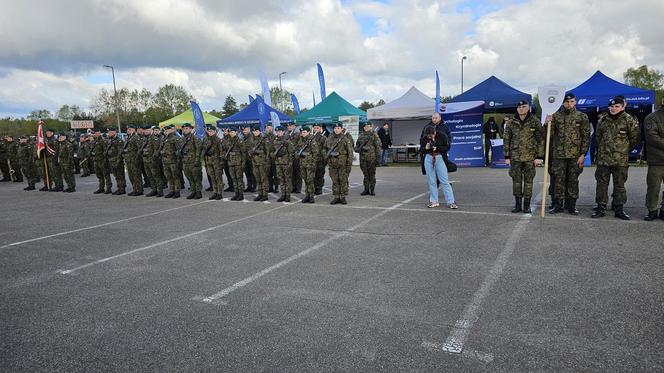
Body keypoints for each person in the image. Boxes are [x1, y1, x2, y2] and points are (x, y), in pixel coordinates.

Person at [591, 96, 640, 220]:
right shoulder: (603, 120)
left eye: (617, 106)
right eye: (611, 106)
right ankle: (601, 207)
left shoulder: (629, 120)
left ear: (623, 107)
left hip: (620, 159)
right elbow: (598, 137)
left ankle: (619, 209)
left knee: (619, 185)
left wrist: (622, 150)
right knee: (601, 184)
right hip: (604, 159)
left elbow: (634, 139)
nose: (613, 108)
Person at [545, 93, 591, 215]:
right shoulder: (555, 116)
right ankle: (558, 205)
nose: (569, 104)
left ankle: (571, 205)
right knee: (558, 180)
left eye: (571, 101)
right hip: (559, 155)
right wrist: (547, 123)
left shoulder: (582, 116)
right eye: (567, 102)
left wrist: (583, 154)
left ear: (575, 102)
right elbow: (548, 135)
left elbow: (586, 137)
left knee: (573, 180)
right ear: (563, 102)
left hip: (574, 155)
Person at [503, 100, 545, 214]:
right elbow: (506, 139)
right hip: (515, 157)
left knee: (528, 182)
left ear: (528, 108)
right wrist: (507, 156)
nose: (521, 108)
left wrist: (540, 156)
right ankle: (517, 205)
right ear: (517, 109)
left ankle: (526, 205)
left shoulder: (535, 121)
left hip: (530, 158)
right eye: (519, 107)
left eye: (524, 106)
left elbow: (541, 139)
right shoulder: (511, 122)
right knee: (516, 182)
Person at [420, 126, 457, 208]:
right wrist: (425, 148)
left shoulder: (442, 136)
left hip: (440, 157)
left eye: (431, 135)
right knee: (432, 181)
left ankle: (451, 201)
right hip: (428, 158)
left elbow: (447, 147)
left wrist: (438, 148)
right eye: (428, 136)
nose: (429, 137)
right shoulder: (424, 138)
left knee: (444, 180)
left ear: (435, 132)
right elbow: (421, 150)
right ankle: (434, 201)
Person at [643, 98, 664, 221]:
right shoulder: (652, 117)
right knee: (653, 187)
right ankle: (652, 210)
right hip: (657, 160)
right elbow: (652, 137)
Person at [325, 122, 354, 204]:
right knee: (335, 180)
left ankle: (343, 197)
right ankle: (336, 196)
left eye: (338, 128)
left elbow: (350, 153)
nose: (336, 130)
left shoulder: (345, 139)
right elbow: (325, 149)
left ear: (341, 129)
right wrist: (326, 158)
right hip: (332, 163)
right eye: (335, 128)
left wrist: (349, 164)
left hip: (342, 163)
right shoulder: (330, 138)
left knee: (343, 180)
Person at [355, 122, 381, 195]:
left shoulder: (374, 135)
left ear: (371, 127)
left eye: (367, 126)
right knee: (365, 174)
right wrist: (357, 149)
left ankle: (372, 190)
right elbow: (357, 145)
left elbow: (378, 147)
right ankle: (366, 189)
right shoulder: (361, 136)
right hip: (363, 158)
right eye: (365, 126)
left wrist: (378, 159)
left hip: (371, 158)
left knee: (372, 174)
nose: (366, 127)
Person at [296, 126, 320, 203]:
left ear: (309, 132)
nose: (303, 134)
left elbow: (315, 153)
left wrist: (312, 163)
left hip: (310, 164)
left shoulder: (312, 140)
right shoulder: (300, 140)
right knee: (305, 180)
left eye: (304, 132)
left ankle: (311, 196)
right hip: (302, 164)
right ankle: (307, 195)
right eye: (302, 132)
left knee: (310, 180)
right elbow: (297, 150)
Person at [222, 125, 246, 201]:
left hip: (238, 162)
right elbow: (225, 150)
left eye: (232, 132)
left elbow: (243, 153)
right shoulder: (228, 141)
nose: (231, 133)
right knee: (234, 179)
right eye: (230, 132)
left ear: (236, 132)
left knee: (239, 179)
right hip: (230, 163)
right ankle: (236, 193)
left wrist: (243, 163)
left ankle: (241, 194)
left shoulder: (239, 141)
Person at [179, 123, 203, 199]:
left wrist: (197, 161)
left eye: (186, 128)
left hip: (193, 162)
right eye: (184, 129)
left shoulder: (195, 138)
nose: (185, 130)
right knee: (189, 178)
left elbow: (198, 150)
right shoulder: (182, 139)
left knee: (196, 178)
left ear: (191, 129)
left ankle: (198, 192)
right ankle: (193, 191)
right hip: (185, 162)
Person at [201, 125, 224, 200]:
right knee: (212, 178)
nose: (210, 132)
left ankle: (219, 193)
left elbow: (221, 152)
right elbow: (204, 150)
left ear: (215, 132)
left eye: (211, 131)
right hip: (209, 162)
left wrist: (221, 163)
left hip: (216, 162)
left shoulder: (218, 140)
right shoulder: (206, 140)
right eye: (209, 131)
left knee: (218, 178)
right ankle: (215, 192)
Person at [271, 126, 294, 202]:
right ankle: (283, 194)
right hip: (278, 163)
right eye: (277, 132)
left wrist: (290, 163)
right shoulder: (274, 141)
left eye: (280, 131)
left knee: (287, 180)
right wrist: (272, 155)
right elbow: (271, 151)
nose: (278, 133)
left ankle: (288, 195)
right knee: (281, 179)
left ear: (283, 132)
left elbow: (291, 153)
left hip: (286, 163)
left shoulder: (287, 141)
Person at [249, 125, 271, 201]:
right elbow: (249, 150)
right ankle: (260, 194)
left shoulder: (264, 139)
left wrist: (267, 163)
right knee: (258, 179)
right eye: (254, 131)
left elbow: (267, 152)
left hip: (262, 163)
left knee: (263, 179)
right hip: (255, 162)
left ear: (260, 131)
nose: (255, 132)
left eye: (256, 131)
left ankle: (265, 195)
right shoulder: (251, 140)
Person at [161, 125, 181, 199]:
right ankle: (172, 190)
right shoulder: (164, 138)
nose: (166, 131)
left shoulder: (175, 138)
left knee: (175, 176)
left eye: (167, 130)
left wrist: (177, 160)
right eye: (165, 130)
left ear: (171, 130)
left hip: (173, 161)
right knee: (169, 177)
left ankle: (177, 191)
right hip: (165, 161)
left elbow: (179, 150)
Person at [124, 125, 144, 196]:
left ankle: (139, 190)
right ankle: (135, 189)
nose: (127, 131)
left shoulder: (136, 137)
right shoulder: (129, 137)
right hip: (129, 160)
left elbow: (140, 149)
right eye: (127, 129)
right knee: (131, 176)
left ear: (133, 129)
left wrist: (137, 158)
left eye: (129, 129)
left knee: (136, 175)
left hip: (134, 160)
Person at [90, 128, 112, 194]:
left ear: (98, 133)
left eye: (94, 133)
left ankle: (108, 188)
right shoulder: (95, 141)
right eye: (93, 133)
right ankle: (101, 188)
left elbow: (105, 151)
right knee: (99, 175)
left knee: (106, 175)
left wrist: (105, 161)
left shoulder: (103, 140)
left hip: (102, 160)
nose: (93, 134)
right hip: (96, 160)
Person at [106, 128, 126, 195]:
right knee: (116, 176)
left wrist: (118, 160)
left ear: (115, 132)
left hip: (117, 161)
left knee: (120, 175)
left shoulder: (118, 140)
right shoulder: (111, 140)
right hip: (112, 160)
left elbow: (120, 152)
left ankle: (122, 189)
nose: (109, 134)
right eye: (108, 132)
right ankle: (119, 188)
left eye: (110, 132)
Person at [286, 122, 302, 193]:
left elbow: (299, 144)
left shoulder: (298, 134)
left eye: (290, 126)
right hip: (289, 155)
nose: (289, 127)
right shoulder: (286, 134)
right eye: (288, 126)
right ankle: (293, 187)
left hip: (296, 156)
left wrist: (296, 151)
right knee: (291, 172)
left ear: (294, 126)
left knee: (297, 172)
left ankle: (298, 188)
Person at [312, 123, 327, 195]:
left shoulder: (323, 138)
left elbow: (326, 149)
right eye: (315, 128)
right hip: (312, 160)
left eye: (318, 128)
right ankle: (314, 187)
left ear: (321, 129)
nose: (316, 129)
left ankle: (319, 188)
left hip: (320, 160)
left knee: (320, 175)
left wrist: (324, 160)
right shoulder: (311, 137)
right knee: (313, 175)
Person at [241, 125, 256, 193]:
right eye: (243, 130)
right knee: (247, 173)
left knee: (253, 173)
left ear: (249, 129)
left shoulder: (252, 137)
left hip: (252, 158)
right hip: (245, 158)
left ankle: (254, 186)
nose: (244, 131)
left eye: (246, 130)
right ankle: (249, 186)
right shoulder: (243, 137)